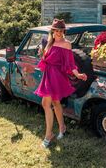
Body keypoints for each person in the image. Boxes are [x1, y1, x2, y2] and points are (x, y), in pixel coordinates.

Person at [34, 18, 87, 148]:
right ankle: (62, 127)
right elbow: (46, 59)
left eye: (61, 30)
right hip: (48, 75)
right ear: (53, 31)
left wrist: (78, 74)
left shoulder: (66, 44)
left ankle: (48, 135)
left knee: (45, 103)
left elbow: (70, 63)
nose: (58, 33)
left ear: (64, 31)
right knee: (55, 102)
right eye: (56, 30)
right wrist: (42, 53)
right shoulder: (49, 43)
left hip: (56, 76)